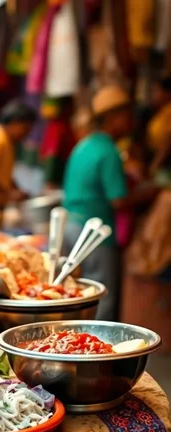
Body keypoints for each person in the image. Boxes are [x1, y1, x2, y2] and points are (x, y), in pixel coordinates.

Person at [63, 85, 159, 321]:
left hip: (70, 226)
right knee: (102, 297)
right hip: (94, 232)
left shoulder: (84, 145)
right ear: (113, 118)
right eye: (127, 116)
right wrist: (152, 191)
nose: (131, 122)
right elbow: (119, 200)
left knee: (75, 294)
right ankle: (97, 355)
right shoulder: (109, 152)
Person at [39, 96, 77, 192]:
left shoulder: (63, 125)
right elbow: (52, 154)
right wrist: (50, 182)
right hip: (58, 176)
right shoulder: (58, 127)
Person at [147, 76, 171, 186]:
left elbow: (168, 142)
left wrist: (154, 166)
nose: (153, 94)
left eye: (157, 91)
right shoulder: (160, 112)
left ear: (167, 93)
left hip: (165, 165)